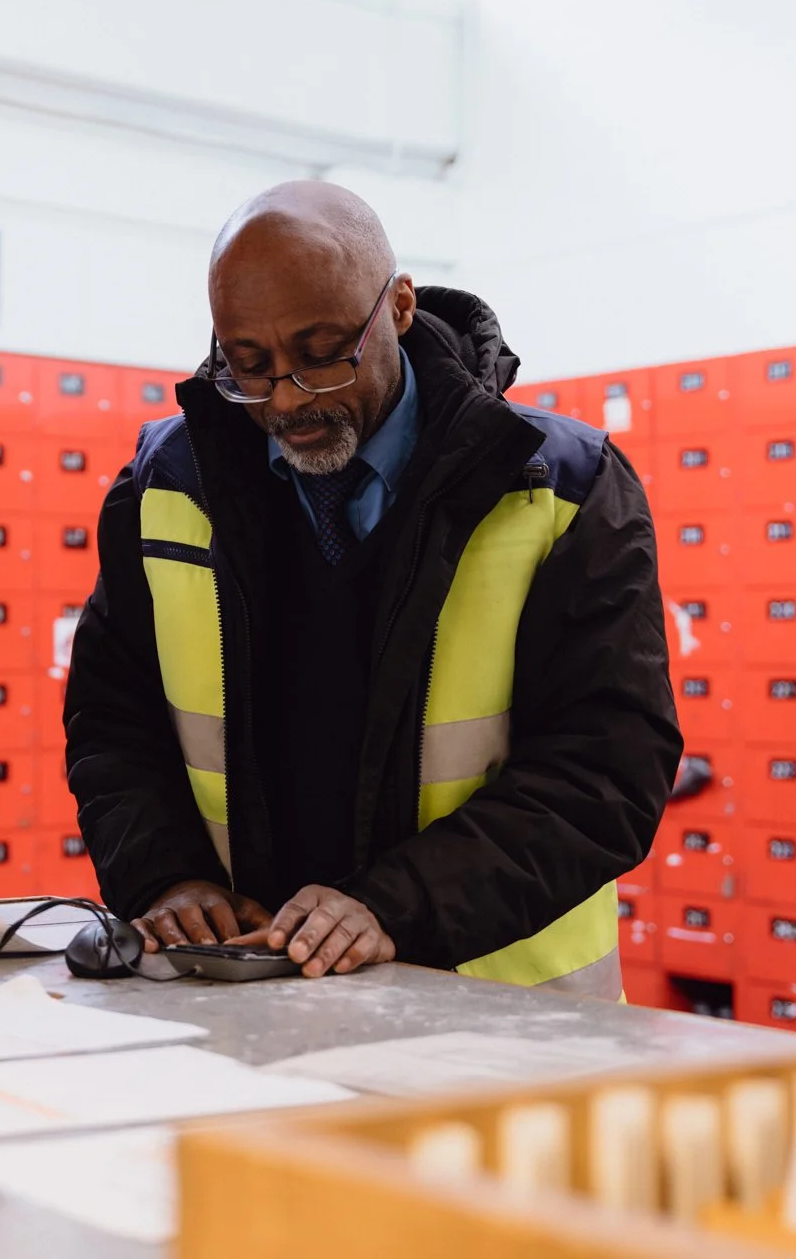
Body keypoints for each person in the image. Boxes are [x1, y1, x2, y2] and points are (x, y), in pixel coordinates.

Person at [62, 181, 680, 997]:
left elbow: (607, 770)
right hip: (236, 995)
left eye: (322, 354)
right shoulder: (164, 484)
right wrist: (164, 879)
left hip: (498, 1018)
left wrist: (396, 905)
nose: (286, 398)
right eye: (249, 365)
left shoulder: (563, 489)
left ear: (398, 305)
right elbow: (113, 722)